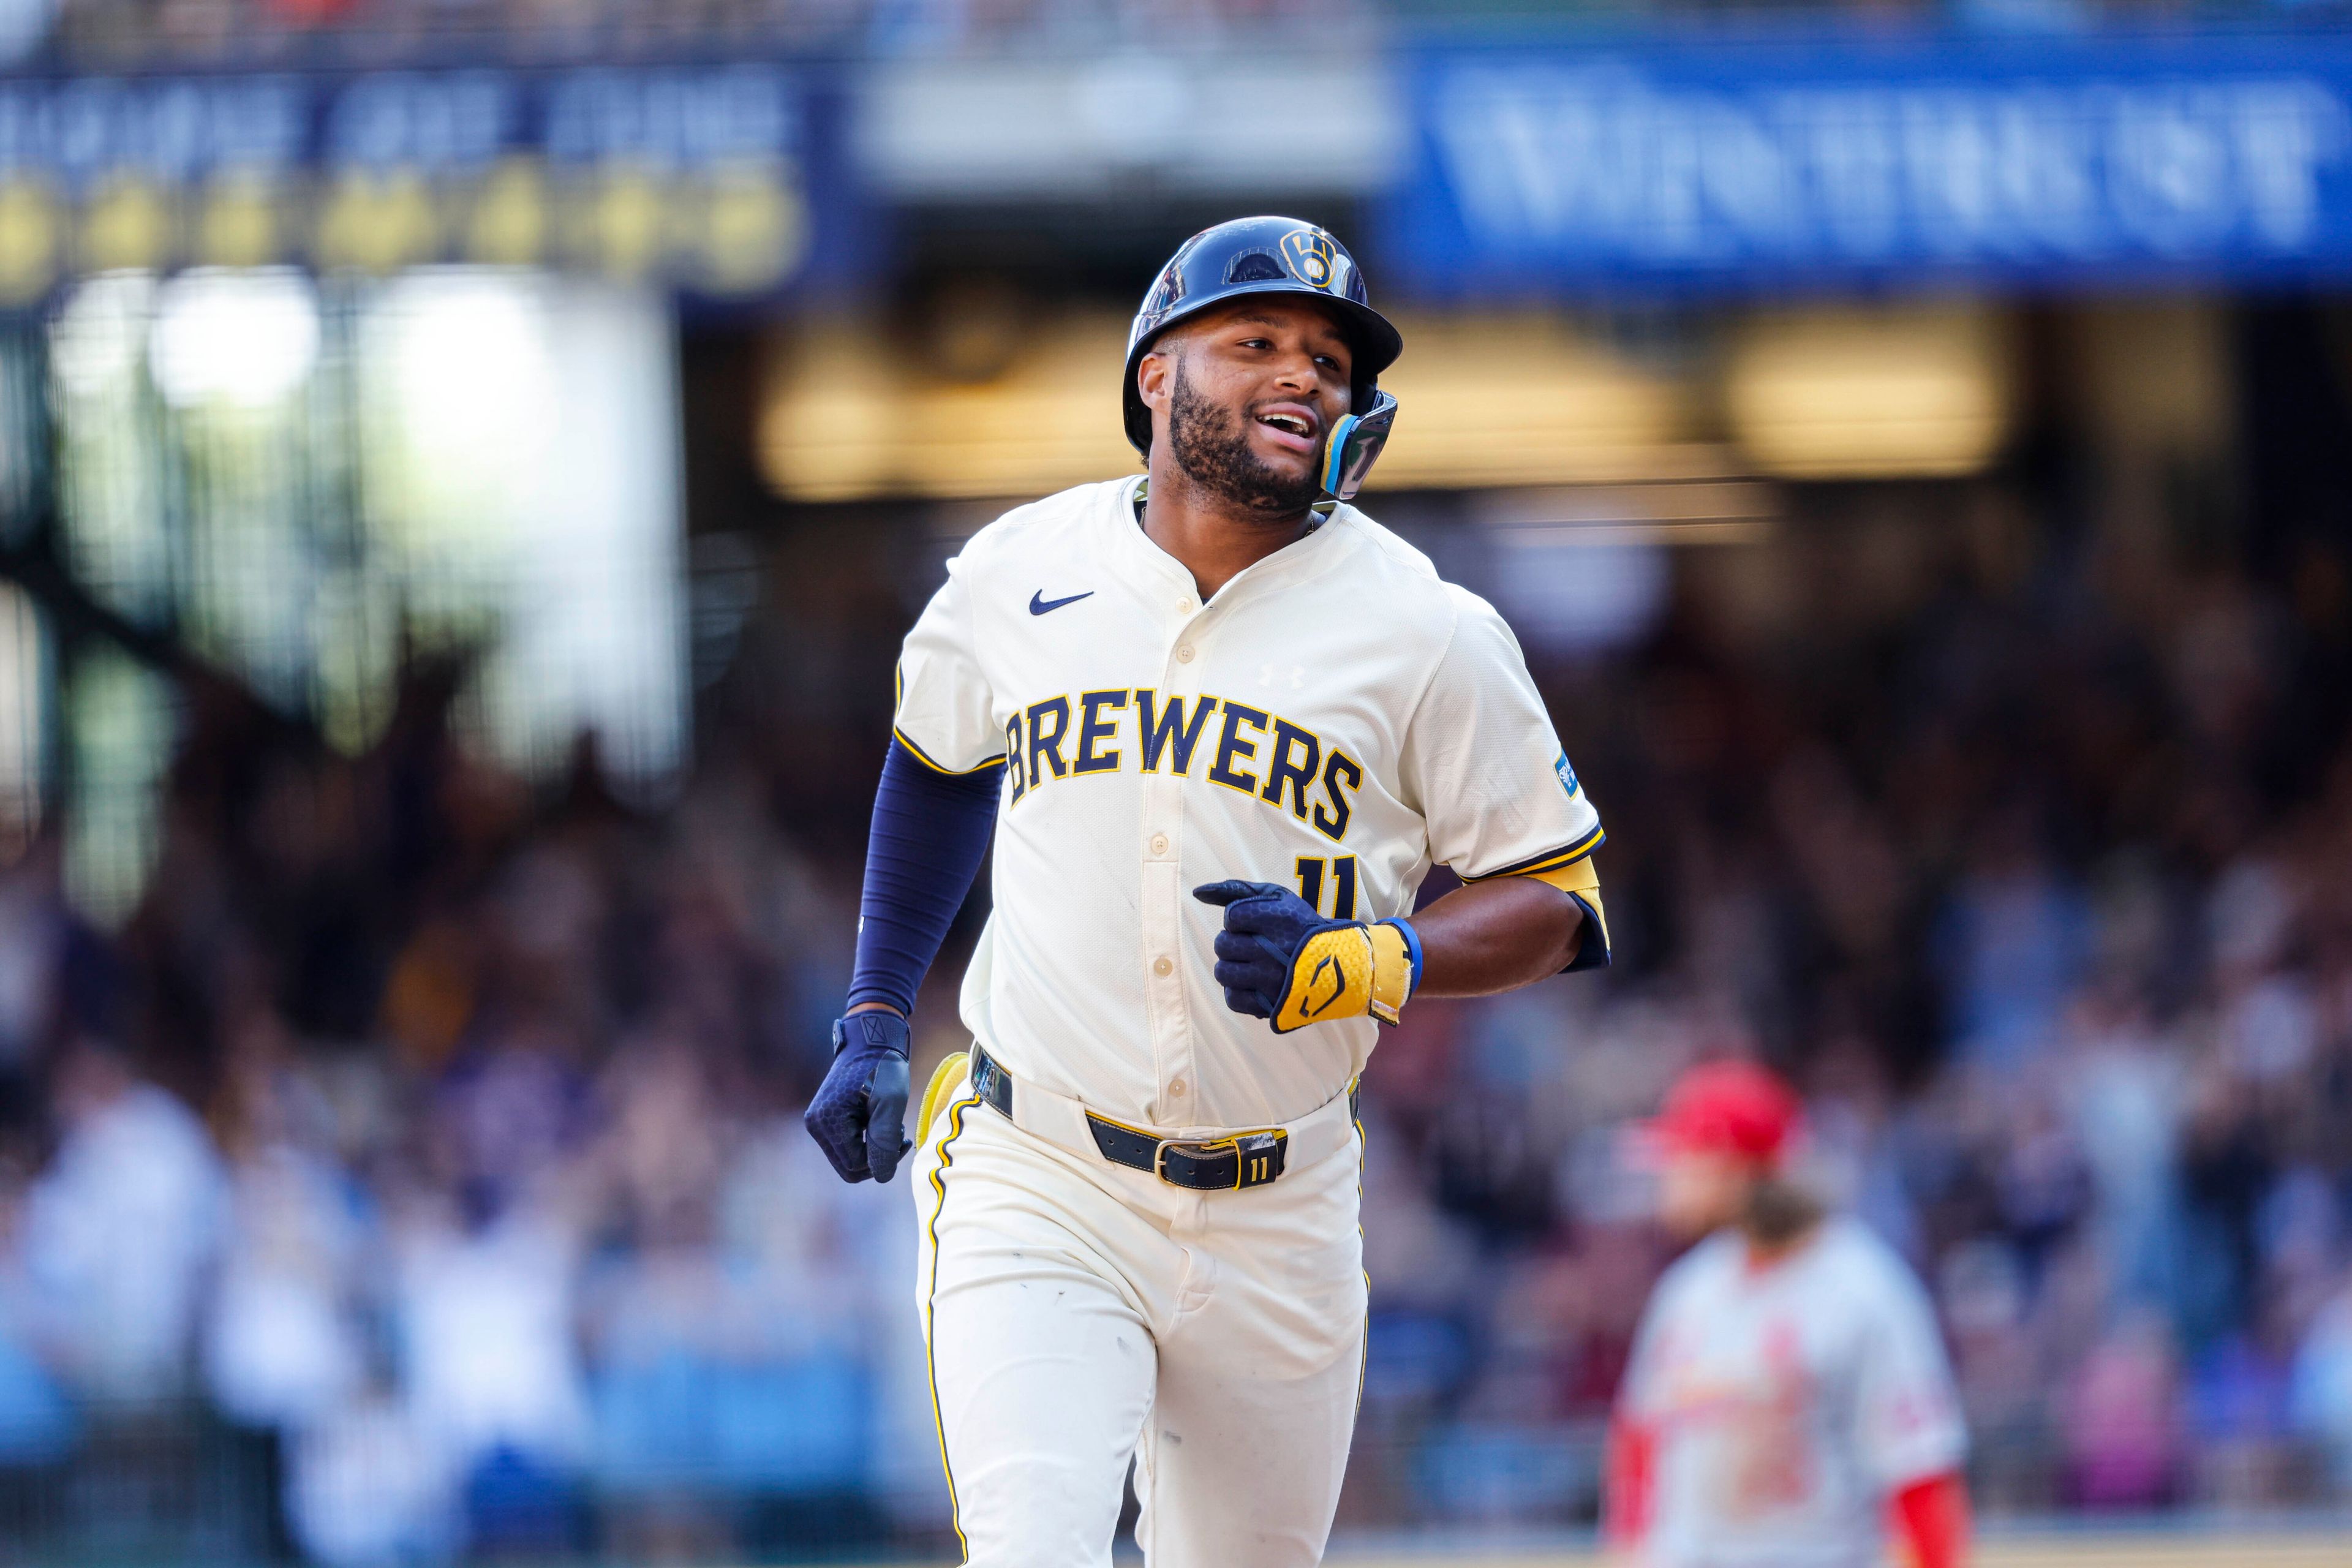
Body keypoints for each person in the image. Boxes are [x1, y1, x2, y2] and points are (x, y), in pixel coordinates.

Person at [802, 216, 1612, 1567]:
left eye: (1330, 361)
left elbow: (1561, 892)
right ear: (1155, 378)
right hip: (1042, 1165)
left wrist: (1368, 958)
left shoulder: (1427, 625)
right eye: (1257, 343)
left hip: (1282, 1202)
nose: (1304, 375)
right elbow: (938, 760)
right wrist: (878, 1014)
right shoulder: (1019, 567)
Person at [1607, 1061, 1970, 1568]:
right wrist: (1629, 1550)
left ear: (1732, 1170)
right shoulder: (1688, 1290)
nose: (1666, 1177)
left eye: (1680, 1159)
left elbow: (1921, 1472)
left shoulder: (1863, 1289)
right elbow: (1640, 1439)